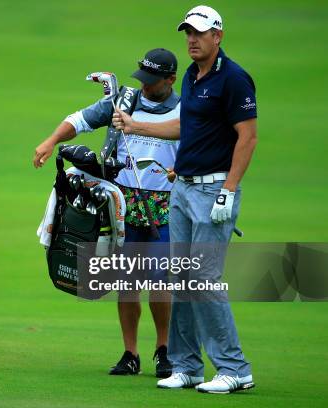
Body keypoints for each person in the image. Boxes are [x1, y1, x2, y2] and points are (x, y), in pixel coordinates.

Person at [112, 5, 257, 393]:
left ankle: (234, 369)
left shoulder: (234, 79)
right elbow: (185, 126)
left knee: (204, 279)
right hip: (184, 188)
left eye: (199, 33)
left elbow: (248, 137)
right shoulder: (193, 77)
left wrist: (228, 190)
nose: (192, 39)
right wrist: (136, 123)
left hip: (214, 189)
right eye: (187, 33)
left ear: (218, 36)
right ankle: (188, 365)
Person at [33, 48, 181, 378]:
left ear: (170, 80)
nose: (145, 86)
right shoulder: (123, 100)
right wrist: (51, 140)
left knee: (160, 281)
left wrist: (179, 170)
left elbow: (198, 150)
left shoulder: (185, 110)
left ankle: (164, 350)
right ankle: (130, 354)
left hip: (165, 206)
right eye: (142, 78)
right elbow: (80, 119)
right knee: (127, 281)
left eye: (153, 81)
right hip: (121, 205)